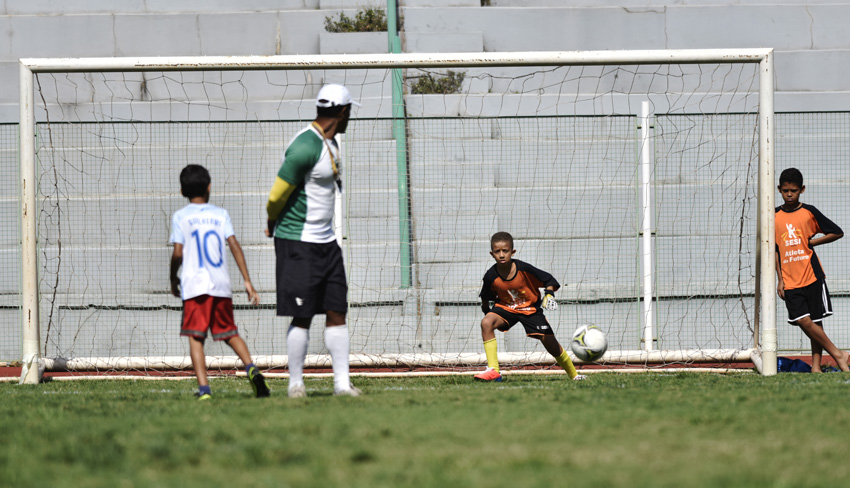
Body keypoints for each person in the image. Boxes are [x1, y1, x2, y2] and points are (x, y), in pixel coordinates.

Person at [265, 84, 361, 397]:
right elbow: (277, 195)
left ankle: (342, 386)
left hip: (327, 243)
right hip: (298, 242)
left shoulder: (332, 142)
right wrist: (271, 220)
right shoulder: (306, 145)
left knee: (336, 311)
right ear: (343, 111)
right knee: (303, 314)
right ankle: (295, 385)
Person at [170, 164, 270, 400]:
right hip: (221, 286)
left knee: (196, 337)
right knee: (229, 333)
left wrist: (173, 278)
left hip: (195, 286)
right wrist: (247, 281)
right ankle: (251, 368)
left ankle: (204, 391)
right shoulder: (220, 214)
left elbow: (177, 253)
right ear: (209, 187)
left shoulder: (181, 217)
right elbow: (233, 244)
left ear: (182, 191)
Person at [474, 231, 586, 382]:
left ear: (512, 252)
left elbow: (550, 281)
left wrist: (549, 294)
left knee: (551, 345)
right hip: (506, 308)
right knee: (486, 322)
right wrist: (487, 310)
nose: (501, 255)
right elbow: (486, 297)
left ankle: (575, 375)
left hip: (530, 310)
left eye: (505, 251)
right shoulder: (490, 276)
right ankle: (494, 372)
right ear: (491, 253)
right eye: (497, 251)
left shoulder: (525, 269)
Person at [775, 167, 848, 372]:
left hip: (812, 275)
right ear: (779, 189)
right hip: (790, 279)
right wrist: (779, 279)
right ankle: (839, 354)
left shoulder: (809, 212)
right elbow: (775, 251)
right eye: (786, 190)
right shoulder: (773, 215)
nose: (790, 194)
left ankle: (816, 368)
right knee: (802, 320)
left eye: (794, 190)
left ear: (802, 190)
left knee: (815, 321)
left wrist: (812, 243)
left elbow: (837, 232)